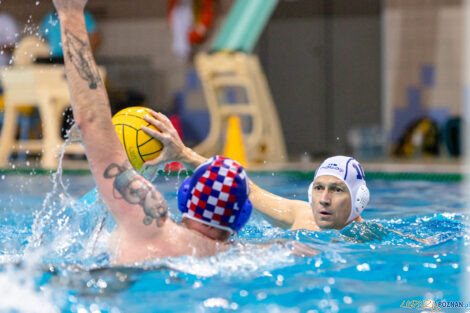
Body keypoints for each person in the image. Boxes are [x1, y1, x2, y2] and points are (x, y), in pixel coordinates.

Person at [53, 0, 255, 264]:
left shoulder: (149, 219)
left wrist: (70, 14)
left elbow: (91, 122)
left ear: (185, 194)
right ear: (241, 218)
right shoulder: (242, 254)